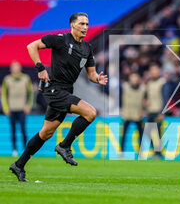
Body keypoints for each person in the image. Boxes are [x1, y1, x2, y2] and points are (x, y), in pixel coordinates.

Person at [9, 12, 108, 182]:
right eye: (82, 24)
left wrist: (97, 79)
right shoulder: (60, 39)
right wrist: (40, 68)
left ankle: (19, 164)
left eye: (87, 24)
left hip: (66, 91)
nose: (85, 27)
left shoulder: (87, 48)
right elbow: (31, 46)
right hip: (54, 89)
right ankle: (65, 145)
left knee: (46, 132)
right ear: (72, 25)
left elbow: (91, 74)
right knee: (90, 112)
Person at [2, 61, 33, 157]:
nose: (15, 69)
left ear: (20, 68)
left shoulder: (25, 78)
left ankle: (25, 149)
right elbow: (3, 95)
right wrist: (6, 108)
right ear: (11, 69)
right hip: (12, 109)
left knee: (23, 129)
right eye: (13, 67)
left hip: (22, 108)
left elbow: (31, 93)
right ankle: (14, 150)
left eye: (17, 67)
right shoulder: (7, 79)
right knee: (13, 130)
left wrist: (28, 105)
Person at [121, 72, 145, 155]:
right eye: (132, 77)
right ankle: (121, 152)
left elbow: (146, 100)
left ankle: (141, 152)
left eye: (136, 77)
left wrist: (144, 110)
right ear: (129, 78)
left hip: (138, 115)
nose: (134, 79)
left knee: (141, 134)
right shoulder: (125, 87)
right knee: (124, 134)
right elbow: (119, 99)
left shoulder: (143, 88)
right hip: (127, 114)